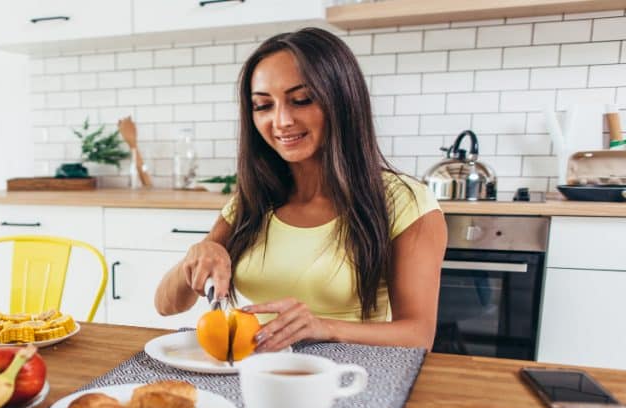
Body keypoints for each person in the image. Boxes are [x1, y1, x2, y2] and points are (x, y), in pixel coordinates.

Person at [154, 27, 447, 352]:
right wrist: (199, 252)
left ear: (343, 101)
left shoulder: (404, 201)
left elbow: (419, 334)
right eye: (263, 106)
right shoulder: (253, 200)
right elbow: (167, 305)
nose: (281, 121)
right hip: (258, 372)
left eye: (301, 100)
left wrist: (322, 327)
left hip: (358, 378)